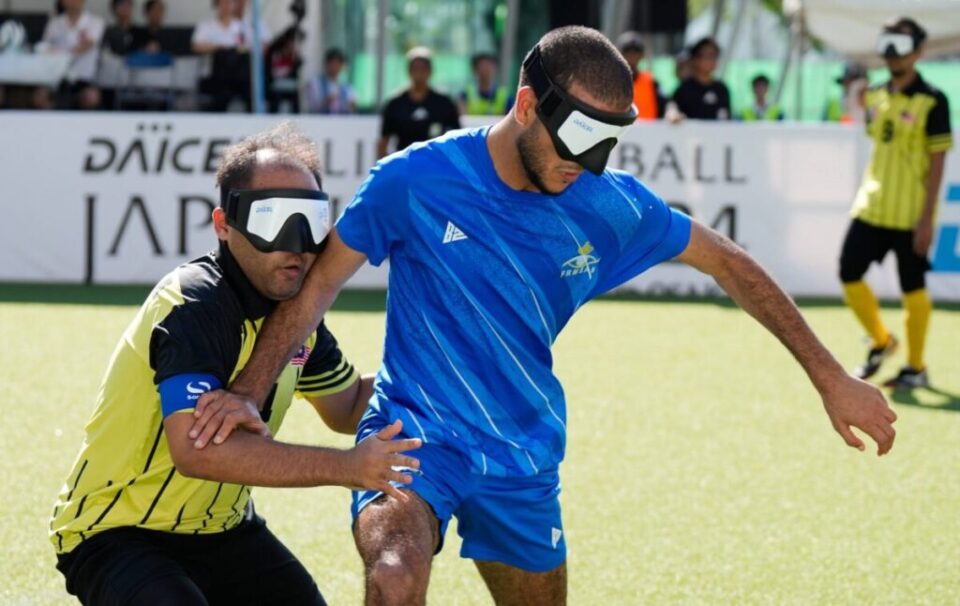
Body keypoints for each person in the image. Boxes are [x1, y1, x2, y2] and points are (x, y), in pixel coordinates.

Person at [196, 27, 896, 605]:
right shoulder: (414, 180)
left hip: (523, 452)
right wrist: (249, 391)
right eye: (578, 138)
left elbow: (729, 263)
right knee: (394, 575)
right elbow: (316, 290)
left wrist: (830, 376)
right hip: (415, 438)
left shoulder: (606, 200)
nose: (588, 165)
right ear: (529, 104)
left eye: (608, 142)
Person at [48, 124, 422, 605]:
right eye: (272, 218)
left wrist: (440, 369)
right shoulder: (193, 303)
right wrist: (349, 467)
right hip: (118, 532)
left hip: (224, 530)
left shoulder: (297, 319)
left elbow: (346, 405)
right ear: (224, 224)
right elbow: (198, 451)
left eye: (310, 219)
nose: (298, 243)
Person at [839, 17, 953, 388]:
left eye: (901, 44)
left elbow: (938, 162)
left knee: (913, 287)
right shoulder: (876, 93)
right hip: (871, 206)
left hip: (910, 214)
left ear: (918, 52)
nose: (891, 52)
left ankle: (916, 367)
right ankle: (882, 341)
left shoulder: (934, 100)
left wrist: (926, 220)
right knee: (848, 272)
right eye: (888, 41)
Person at [377, 46, 460, 158]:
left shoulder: (444, 102)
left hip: (436, 165)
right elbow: (383, 141)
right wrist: (389, 171)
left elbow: (456, 138)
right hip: (406, 166)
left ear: (430, 71)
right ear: (408, 70)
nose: (419, 73)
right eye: (415, 68)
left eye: (423, 68)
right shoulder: (395, 103)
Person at [40, 0, 104, 109]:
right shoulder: (54, 23)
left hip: (84, 79)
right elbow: (44, 48)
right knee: (40, 96)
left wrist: (60, 52)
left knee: (92, 97)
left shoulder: (95, 22)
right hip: (56, 78)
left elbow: (85, 46)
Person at [192, 0, 252, 111]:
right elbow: (197, 46)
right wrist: (218, 47)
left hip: (238, 75)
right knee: (222, 56)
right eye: (223, 3)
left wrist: (233, 49)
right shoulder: (206, 26)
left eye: (230, 3)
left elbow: (243, 48)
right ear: (217, 5)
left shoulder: (240, 27)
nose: (227, 6)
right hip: (214, 75)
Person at [671, 36, 731, 121]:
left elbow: (726, 119)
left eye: (714, 56)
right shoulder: (684, 90)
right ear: (695, 59)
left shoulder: (721, 89)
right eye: (708, 56)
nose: (711, 60)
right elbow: (674, 113)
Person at [616, 30, 663, 120]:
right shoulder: (609, 82)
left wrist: (672, 111)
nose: (632, 55)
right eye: (627, 51)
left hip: (647, 133)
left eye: (636, 51)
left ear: (642, 55)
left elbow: (667, 104)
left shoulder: (651, 81)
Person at [459, 52, 513, 116]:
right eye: (481, 66)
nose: (485, 70)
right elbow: (462, 118)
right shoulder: (465, 95)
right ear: (474, 70)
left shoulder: (505, 96)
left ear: (495, 68)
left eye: (488, 65)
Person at [306, 47, 357, 114]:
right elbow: (311, 107)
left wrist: (351, 106)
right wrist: (326, 102)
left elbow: (352, 107)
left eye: (338, 64)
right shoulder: (315, 84)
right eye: (332, 63)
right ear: (326, 64)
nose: (334, 67)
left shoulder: (347, 87)